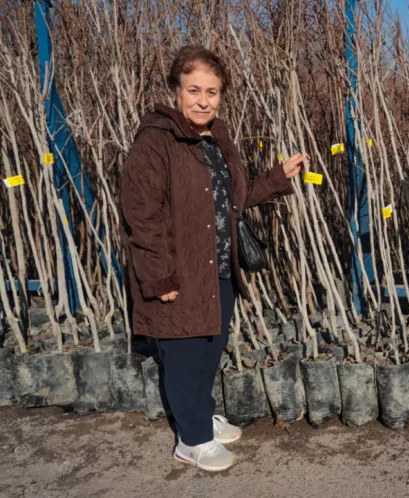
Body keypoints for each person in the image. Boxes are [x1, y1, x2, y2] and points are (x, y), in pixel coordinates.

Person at [120, 45, 305, 472]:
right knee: (184, 359)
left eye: (213, 92)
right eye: (194, 90)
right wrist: (159, 278)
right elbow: (140, 217)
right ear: (176, 90)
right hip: (179, 272)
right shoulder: (156, 142)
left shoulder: (216, 137)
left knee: (209, 350)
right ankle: (191, 441)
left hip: (218, 265)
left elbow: (233, 200)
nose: (204, 100)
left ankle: (199, 418)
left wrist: (278, 178)